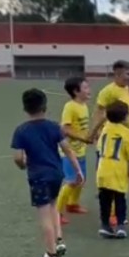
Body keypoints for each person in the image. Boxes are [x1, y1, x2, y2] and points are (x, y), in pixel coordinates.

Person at [11, 89, 83, 257]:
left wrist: (23, 165)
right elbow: (67, 149)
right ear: (45, 106)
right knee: (53, 207)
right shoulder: (54, 127)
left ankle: (51, 255)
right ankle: (59, 242)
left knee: (44, 216)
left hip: (39, 177)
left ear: (25, 108)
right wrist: (78, 171)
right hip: (56, 174)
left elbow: (18, 157)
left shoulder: (21, 131)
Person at [95, 101, 129, 239]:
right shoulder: (128, 134)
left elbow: (99, 149)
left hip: (103, 170)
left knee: (105, 200)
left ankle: (105, 225)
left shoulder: (106, 128)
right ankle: (121, 225)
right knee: (120, 199)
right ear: (124, 117)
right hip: (118, 170)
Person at [55, 76, 91, 226]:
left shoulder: (84, 105)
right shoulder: (70, 107)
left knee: (81, 179)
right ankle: (56, 213)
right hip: (69, 152)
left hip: (80, 150)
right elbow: (65, 129)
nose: (89, 90)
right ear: (76, 91)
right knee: (71, 182)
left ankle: (72, 204)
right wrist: (83, 139)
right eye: (86, 88)